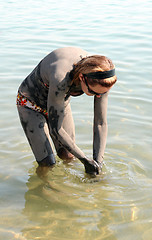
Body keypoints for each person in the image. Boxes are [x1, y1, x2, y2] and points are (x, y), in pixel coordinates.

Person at [17, 47, 117, 175]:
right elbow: (56, 129)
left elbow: (100, 123)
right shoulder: (61, 78)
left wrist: (98, 163)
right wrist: (85, 160)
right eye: (92, 92)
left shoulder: (102, 80)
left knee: (69, 156)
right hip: (31, 105)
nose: (98, 96)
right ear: (82, 78)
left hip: (59, 104)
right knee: (47, 164)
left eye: (102, 94)